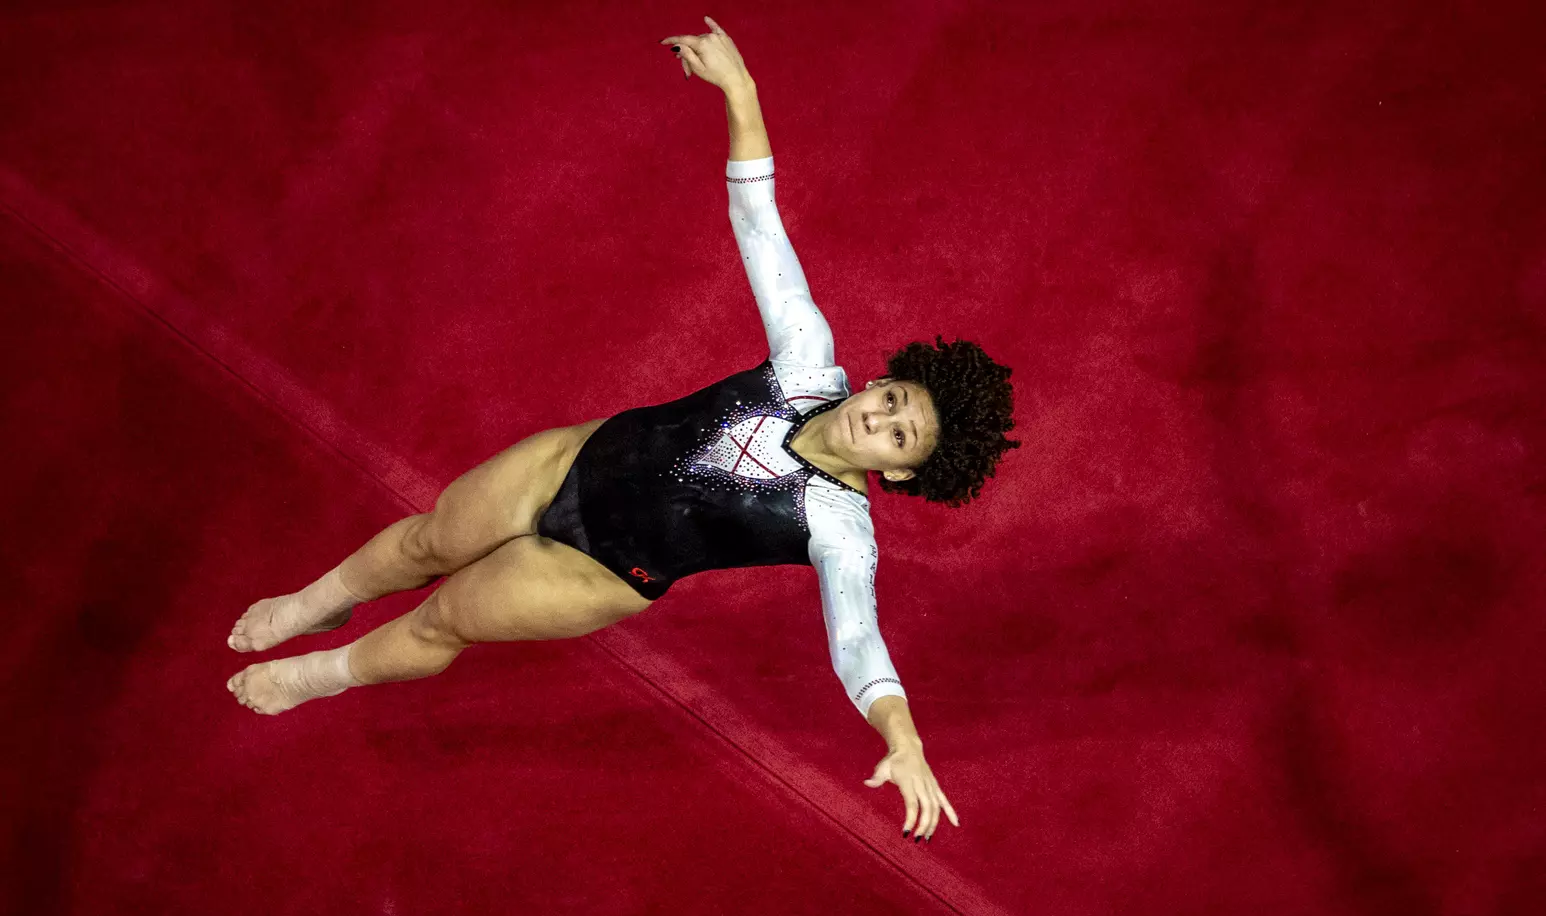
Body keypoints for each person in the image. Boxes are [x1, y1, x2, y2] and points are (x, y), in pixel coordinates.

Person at [226, 17, 1019, 844]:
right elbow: (760, 226)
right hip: (571, 459)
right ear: (886, 377)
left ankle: (321, 675)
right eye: (894, 399)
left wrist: (905, 739)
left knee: (443, 619)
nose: (878, 418)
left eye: (898, 439)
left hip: (598, 569)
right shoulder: (808, 364)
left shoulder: (839, 529)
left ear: (897, 475)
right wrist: (741, 92)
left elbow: (858, 643)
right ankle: (317, 604)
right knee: (429, 542)